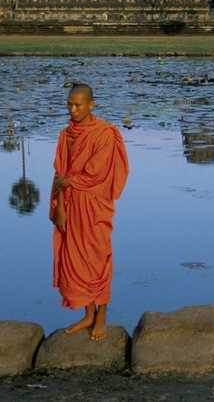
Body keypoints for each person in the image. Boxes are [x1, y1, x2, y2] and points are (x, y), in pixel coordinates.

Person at [50, 83, 129, 340]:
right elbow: (59, 174)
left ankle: (102, 314)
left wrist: (67, 182)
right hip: (71, 205)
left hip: (94, 204)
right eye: (69, 104)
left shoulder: (104, 133)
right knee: (75, 257)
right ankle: (88, 313)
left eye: (78, 105)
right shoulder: (66, 135)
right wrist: (59, 207)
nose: (73, 109)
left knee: (97, 256)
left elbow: (97, 173)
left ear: (91, 104)